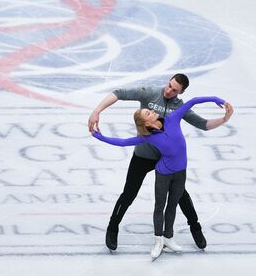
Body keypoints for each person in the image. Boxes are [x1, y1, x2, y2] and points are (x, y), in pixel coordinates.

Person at [87, 74, 234, 251]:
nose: (169, 90)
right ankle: (112, 227)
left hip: (165, 160)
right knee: (129, 193)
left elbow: (203, 124)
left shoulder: (179, 107)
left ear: (182, 92)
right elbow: (119, 93)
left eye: (175, 90)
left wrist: (224, 119)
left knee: (181, 195)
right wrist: (97, 111)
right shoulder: (149, 93)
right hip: (142, 156)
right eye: (169, 85)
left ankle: (195, 227)